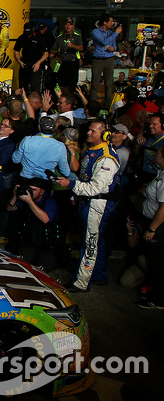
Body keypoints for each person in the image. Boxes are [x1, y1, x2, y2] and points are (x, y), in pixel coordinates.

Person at [56, 121, 120, 292]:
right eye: (89, 130)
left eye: (93, 131)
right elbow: (84, 177)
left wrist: (71, 184)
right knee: (95, 240)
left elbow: (95, 188)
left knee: (90, 243)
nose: (89, 133)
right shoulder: (92, 150)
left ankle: (81, 282)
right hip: (87, 201)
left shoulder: (106, 158)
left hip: (98, 204)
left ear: (104, 134)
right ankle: (99, 275)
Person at [5, 177, 63, 271]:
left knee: (43, 268)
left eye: (34, 190)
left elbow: (45, 219)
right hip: (31, 241)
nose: (31, 192)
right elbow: (10, 208)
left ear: (42, 192)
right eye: (29, 189)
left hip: (48, 244)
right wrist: (15, 195)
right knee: (21, 263)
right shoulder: (26, 198)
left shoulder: (50, 202)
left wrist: (29, 202)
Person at [135, 146, 164, 308]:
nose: (155, 156)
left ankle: (159, 300)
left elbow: (163, 209)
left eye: (158, 154)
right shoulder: (160, 173)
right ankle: (153, 291)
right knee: (152, 261)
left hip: (158, 227)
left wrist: (152, 229)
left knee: (158, 263)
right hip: (150, 222)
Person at [12, 115, 74, 181]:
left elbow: (15, 160)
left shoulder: (27, 140)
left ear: (39, 128)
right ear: (54, 129)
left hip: (26, 179)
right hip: (45, 182)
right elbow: (66, 172)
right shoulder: (60, 146)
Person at [90, 14, 123, 110]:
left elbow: (114, 45)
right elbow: (104, 41)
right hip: (98, 60)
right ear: (105, 22)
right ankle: (92, 105)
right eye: (111, 21)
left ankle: (107, 106)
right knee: (95, 83)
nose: (113, 23)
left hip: (109, 59)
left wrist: (113, 48)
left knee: (109, 84)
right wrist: (116, 33)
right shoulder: (96, 32)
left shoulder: (110, 33)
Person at [14, 21, 49, 94]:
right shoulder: (22, 37)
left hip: (35, 64)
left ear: (33, 30)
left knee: (35, 87)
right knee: (22, 87)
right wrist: (20, 62)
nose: (28, 35)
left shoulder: (39, 38)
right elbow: (16, 51)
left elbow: (46, 53)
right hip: (24, 63)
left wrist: (38, 63)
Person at [50, 17, 83, 92]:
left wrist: (73, 46)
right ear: (64, 26)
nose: (68, 27)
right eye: (66, 24)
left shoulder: (77, 36)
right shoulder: (59, 37)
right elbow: (53, 49)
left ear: (73, 26)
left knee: (72, 84)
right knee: (61, 83)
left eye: (70, 25)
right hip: (62, 62)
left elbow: (81, 48)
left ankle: (71, 100)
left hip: (73, 62)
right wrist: (53, 54)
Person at [136, 112, 164, 185]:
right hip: (144, 173)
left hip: (157, 176)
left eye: (154, 124)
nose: (151, 126)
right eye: (150, 124)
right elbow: (135, 152)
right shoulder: (147, 137)